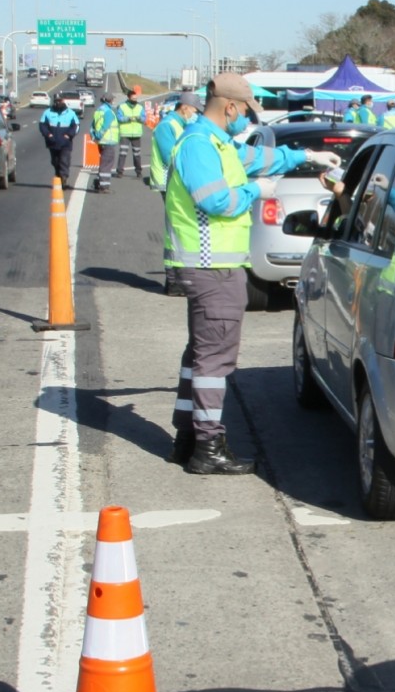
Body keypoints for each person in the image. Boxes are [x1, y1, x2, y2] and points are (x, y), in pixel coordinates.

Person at [164, 73, 342, 474]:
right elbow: (217, 201)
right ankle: (208, 446)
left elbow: (260, 159)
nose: (248, 118)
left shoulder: (217, 143)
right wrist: (256, 192)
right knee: (215, 360)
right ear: (230, 107)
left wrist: (308, 157)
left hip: (212, 266)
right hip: (211, 267)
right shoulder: (199, 146)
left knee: (200, 354)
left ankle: (188, 437)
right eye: (246, 111)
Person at [152, 91, 203, 297]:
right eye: (194, 110)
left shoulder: (179, 125)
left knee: (179, 229)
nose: (195, 114)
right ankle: (173, 281)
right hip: (169, 182)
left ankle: (177, 280)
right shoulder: (167, 126)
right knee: (175, 231)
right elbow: (170, 156)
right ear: (184, 108)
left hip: (176, 183)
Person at [38, 94, 81, 185]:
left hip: (65, 143)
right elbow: (42, 125)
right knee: (55, 161)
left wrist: (69, 135)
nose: (58, 103)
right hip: (52, 142)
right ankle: (58, 176)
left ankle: (64, 178)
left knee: (64, 160)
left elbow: (76, 126)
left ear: (63, 101)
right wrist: (48, 134)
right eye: (56, 101)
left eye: (60, 101)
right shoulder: (47, 112)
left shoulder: (70, 113)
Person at [90, 93, 120, 193]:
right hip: (108, 141)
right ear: (109, 100)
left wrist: (94, 137)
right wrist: (99, 136)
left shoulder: (98, 111)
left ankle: (99, 183)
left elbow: (92, 126)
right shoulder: (108, 112)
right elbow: (105, 126)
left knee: (103, 163)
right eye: (112, 100)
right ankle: (104, 186)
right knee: (107, 164)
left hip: (101, 141)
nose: (113, 101)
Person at [117, 86, 147, 179]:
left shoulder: (140, 107)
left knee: (137, 154)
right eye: (133, 98)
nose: (135, 100)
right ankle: (119, 172)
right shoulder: (122, 107)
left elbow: (144, 119)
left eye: (136, 98)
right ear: (128, 98)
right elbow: (119, 118)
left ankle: (138, 172)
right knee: (123, 153)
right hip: (125, 134)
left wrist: (139, 118)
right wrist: (128, 119)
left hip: (136, 134)